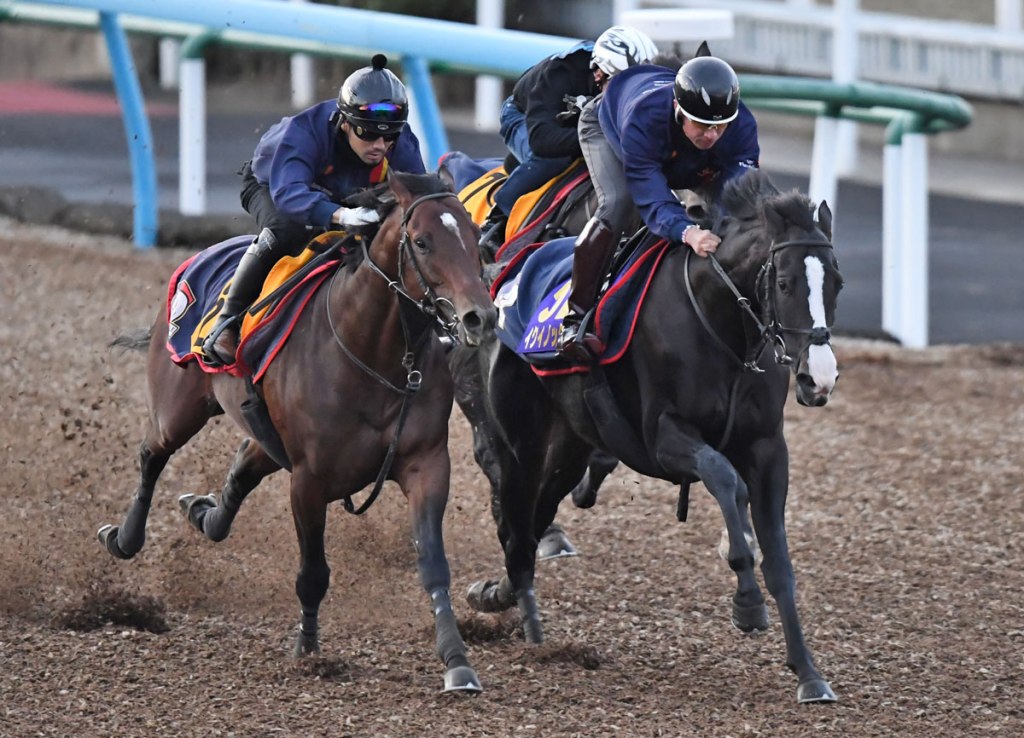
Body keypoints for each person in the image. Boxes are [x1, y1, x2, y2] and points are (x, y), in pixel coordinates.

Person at [203, 54, 425, 367]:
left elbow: (417, 195)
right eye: (367, 134)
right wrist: (342, 216)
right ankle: (226, 323)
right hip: (273, 186)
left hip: (344, 193)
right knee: (289, 230)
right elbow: (289, 195)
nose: (379, 145)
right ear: (345, 122)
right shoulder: (305, 131)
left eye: (389, 136)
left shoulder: (396, 139)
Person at [556, 45, 760, 361]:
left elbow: (737, 195)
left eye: (719, 127)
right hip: (610, 123)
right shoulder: (645, 120)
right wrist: (687, 232)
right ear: (678, 108)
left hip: (677, 147)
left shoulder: (740, 125)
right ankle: (576, 319)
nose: (711, 136)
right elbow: (653, 199)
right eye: (702, 125)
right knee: (619, 204)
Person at [478, 26, 660, 258]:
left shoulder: (617, 76)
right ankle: (495, 223)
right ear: (599, 73)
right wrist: (594, 138)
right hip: (524, 117)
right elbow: (542, 140)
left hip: (574, 124)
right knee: (554, 159)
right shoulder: (561, 72)